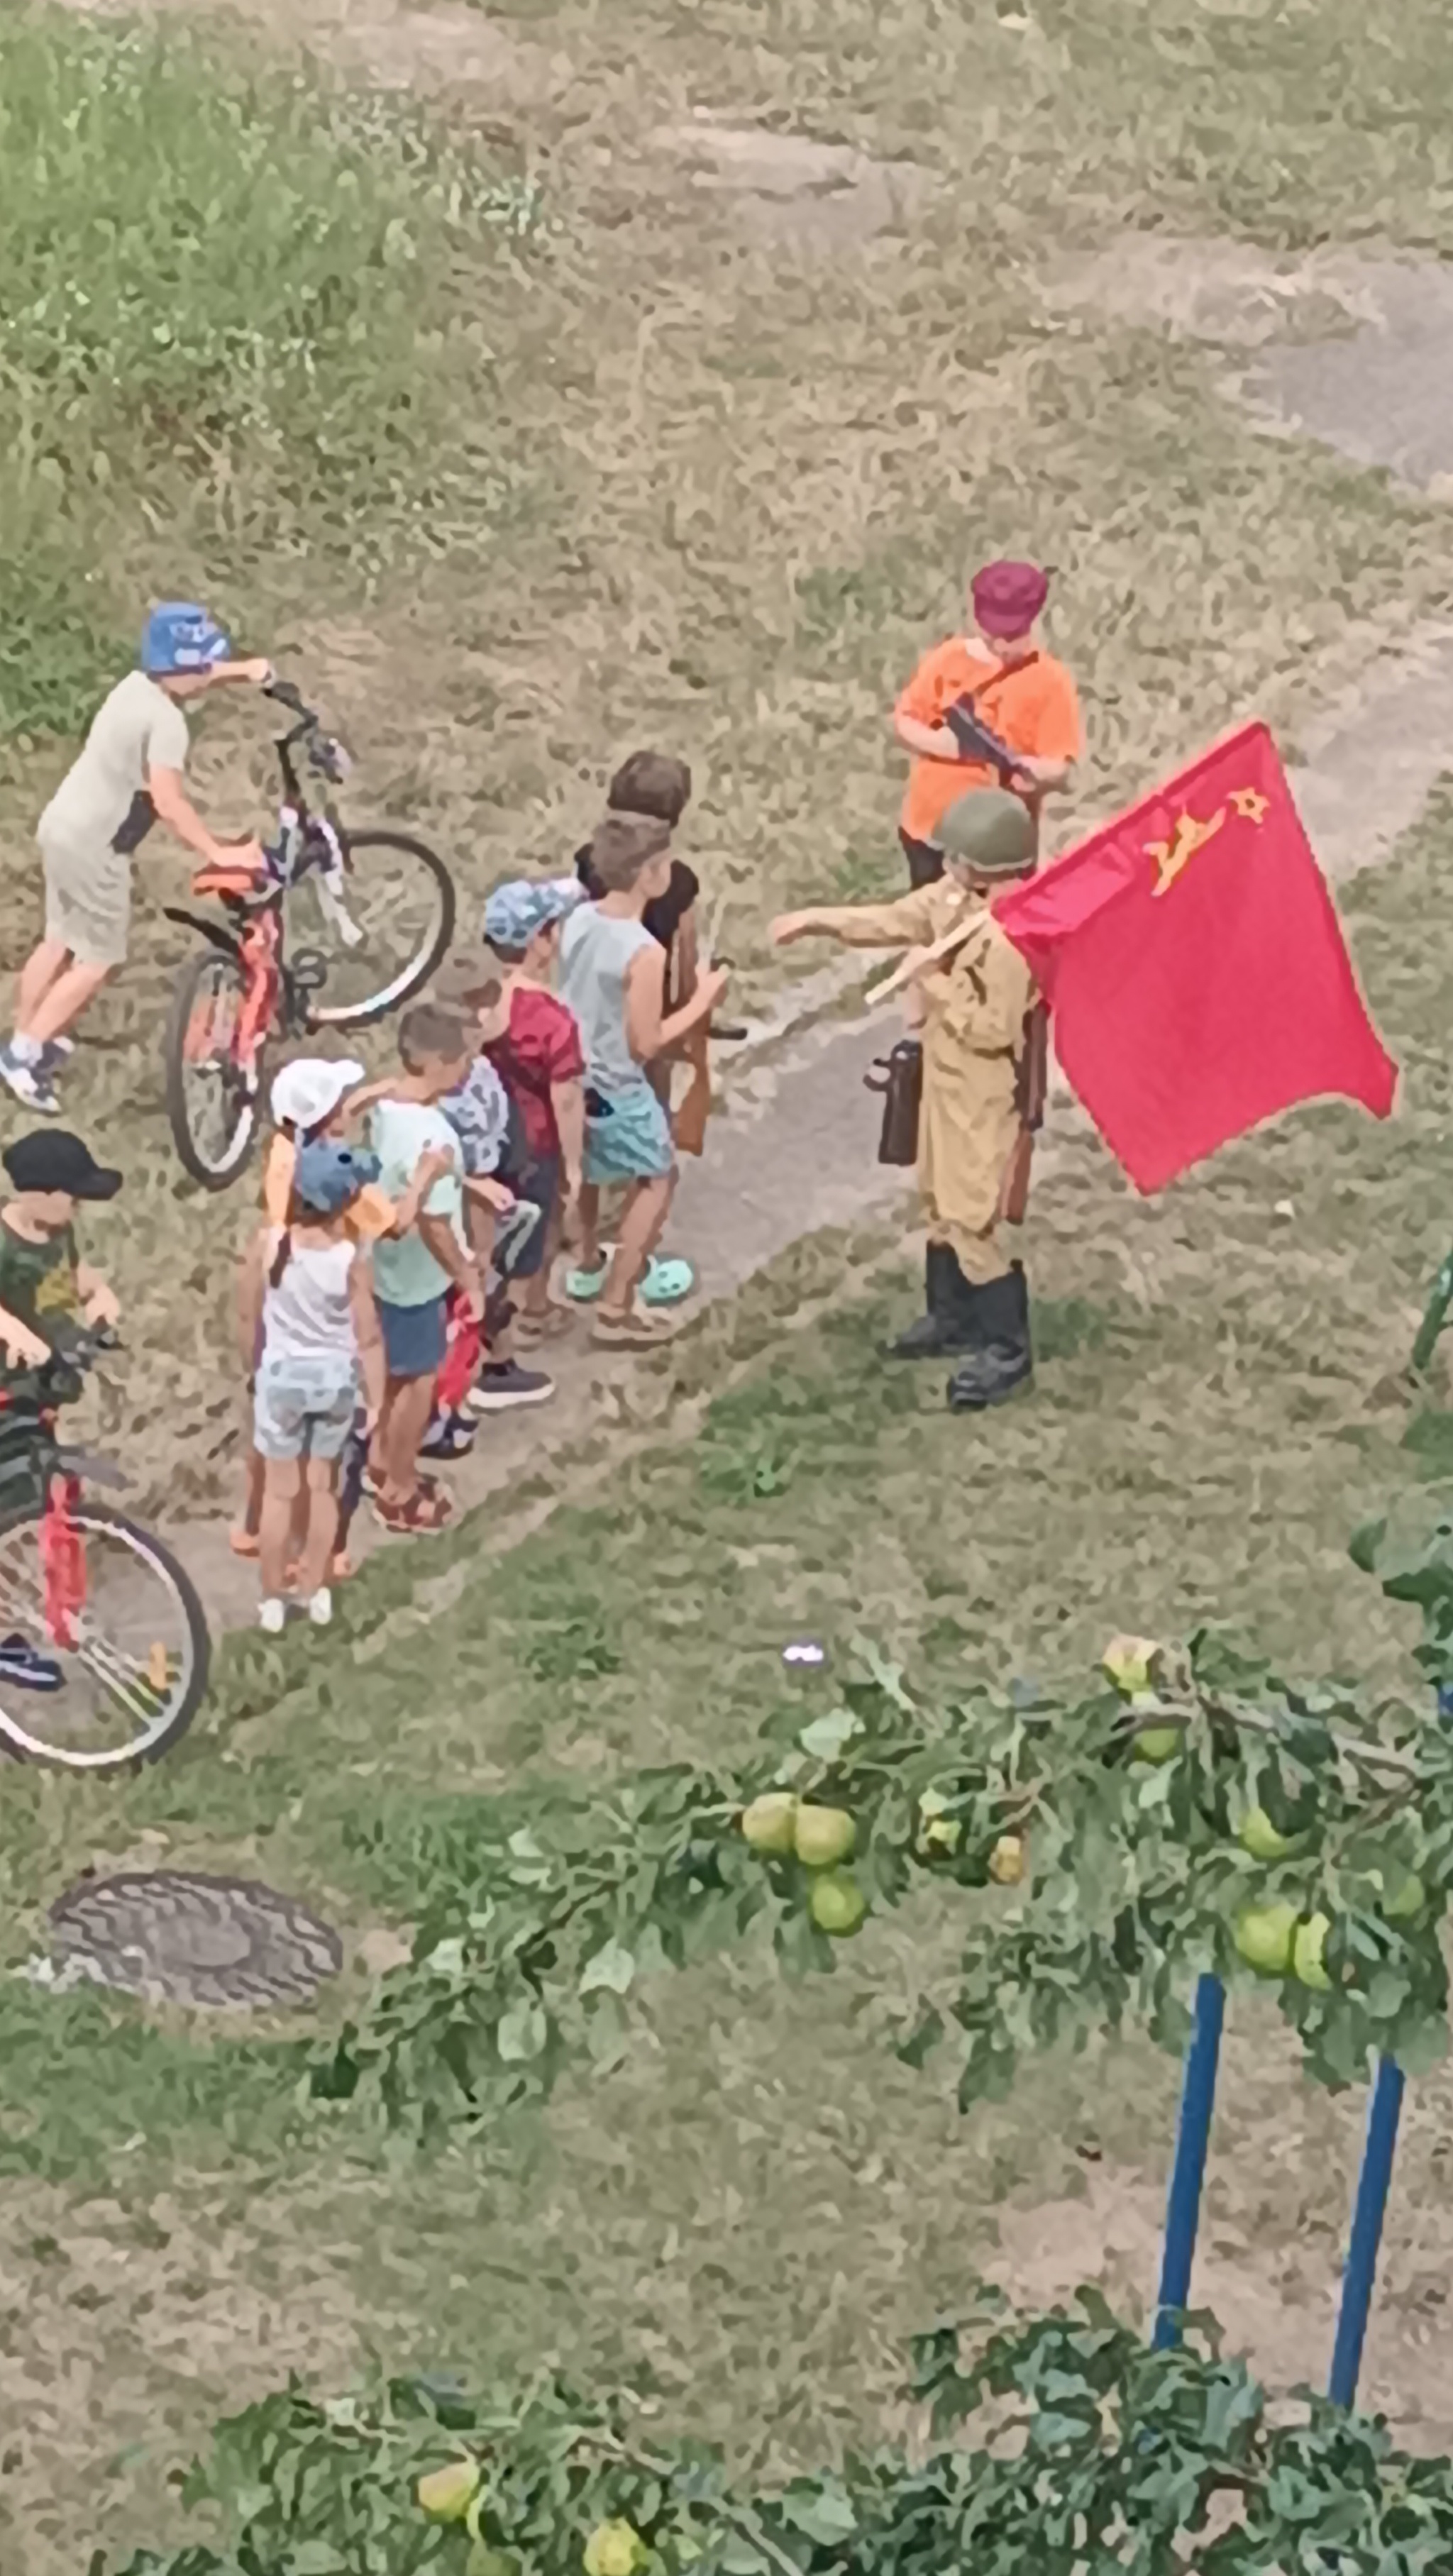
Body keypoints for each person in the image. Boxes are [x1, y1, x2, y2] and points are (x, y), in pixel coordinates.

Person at [770, 789, 1041, 1411]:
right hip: (943, 1077)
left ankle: (1006, 1346)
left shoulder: (1007, 939)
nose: (947, 870)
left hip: (981, 1083)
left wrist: (934, 982)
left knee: (972, 1213)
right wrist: (818, 920)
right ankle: (951, 1315)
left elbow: (995, 1028)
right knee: (938, 1201)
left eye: (959, 861)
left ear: (989, 867)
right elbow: (894, 919)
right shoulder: (954, 901)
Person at [1, 603, 271, 1111]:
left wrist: (244, 671)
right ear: (182, 668)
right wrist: (219, 850)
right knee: (98, 959)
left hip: (61, 826)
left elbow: (194, 675)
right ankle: (26, 1056)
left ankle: (21, 1036)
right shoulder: (168, 723)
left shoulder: (135, 686)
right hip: (97, 847)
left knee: (58, 938)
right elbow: (168, 801)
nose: (208, 671)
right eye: (204, 663)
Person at [231, 1054, 446, 1565]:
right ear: (328, 1120)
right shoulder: (343, 1180)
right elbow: (395, 1224)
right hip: (326, 1321)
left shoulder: (285, 1153)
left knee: (269, 1428)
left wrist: (369, 1095)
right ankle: (318, 1552)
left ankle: (252, 1526)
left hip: (278, 1314)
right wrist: (424, 1176)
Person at [558, 816, 729, 1351]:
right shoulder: (644, 951)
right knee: (656, 1177)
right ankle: (617, 1304)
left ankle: (586, 1259)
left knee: (585, 1173)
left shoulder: (579, 918)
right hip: (617, 1084)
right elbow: (647, 1042)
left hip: (572, 1074)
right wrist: (702, 1002)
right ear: (648, 874)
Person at [238, 1141, 388, 1633]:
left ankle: (272, 1599)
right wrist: (376, 1397)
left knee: (279, 1495)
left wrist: (252, 1367)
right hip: (333, 1380)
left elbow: (249, 1315)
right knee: (322, 1485)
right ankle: (314, 1589)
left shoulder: (271, 1244)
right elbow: (367, 1335)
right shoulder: (349, 1259)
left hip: (281, 1378)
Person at [365, 1004, 483, 1532]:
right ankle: (400, 1487)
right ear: (435, 1062)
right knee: (419, 1382)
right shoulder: (434, 1135)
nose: (466, 1069)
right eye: (461, 1060)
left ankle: (377, 1461)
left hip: (381, 1272)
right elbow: (435, 1224)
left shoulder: (383, 1110)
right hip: (417, 1282)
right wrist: (468, 1277)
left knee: (390, 1375)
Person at [893, 560, 1082, 889]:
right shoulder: (948, 659)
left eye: (1013, 636)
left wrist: (1035, 772)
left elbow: (1059, 767)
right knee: (929, 924)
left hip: (997, 847)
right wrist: (950, 747)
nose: (1002, 647)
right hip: (930, 830)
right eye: (993, 635)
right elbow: (905, 721)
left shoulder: (1050, 682)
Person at [431, 946, 556, 1417]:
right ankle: (493, 1368)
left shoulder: (435, 1070)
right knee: (487, 1288)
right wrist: (483, 1259)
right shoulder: (473, 1084)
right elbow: (481, 1175)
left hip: (444, 1200)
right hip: (481, 1203)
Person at [479, 877, 589, 1344]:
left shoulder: (478, 999)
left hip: (487, 1138)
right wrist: (574, 1166)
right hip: (536, 1141)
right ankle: (506, 1331)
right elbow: (565, 1097)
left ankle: (537, 1306)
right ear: (539, 942)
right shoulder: (551, 1018)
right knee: (535, 1230)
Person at [0, 1129, 123, 1375]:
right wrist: (13, 1332)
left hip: (51, 1344)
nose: (78, 1209)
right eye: (74, 1201)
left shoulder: (59, 1230)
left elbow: (72, 1269)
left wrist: (98, 1293)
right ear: (40, 1196)